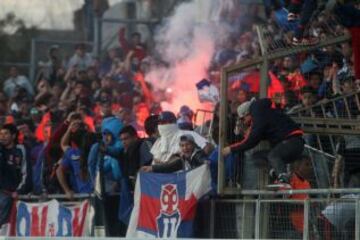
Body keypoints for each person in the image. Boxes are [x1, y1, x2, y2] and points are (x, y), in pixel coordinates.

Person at [222, 98, 304, 186]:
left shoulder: (258, 114)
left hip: (293, 141)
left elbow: (251, 141)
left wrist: (230, 149)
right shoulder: (261, 114)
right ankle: (278, 175)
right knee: (257, 157)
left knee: (273, 155)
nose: (244, 122)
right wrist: (246, 133)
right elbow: (255, 136)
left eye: (243, 119)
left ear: (247, 114)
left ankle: (284, 180)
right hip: (287, 143)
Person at [56, 120, 95, 199]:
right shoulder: (97, 149)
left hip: (85, 196)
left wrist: (67, 190)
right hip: (95, 195)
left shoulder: (72, 153)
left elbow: (63, 144)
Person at [141, 134, 208, 173]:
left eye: (188, 145)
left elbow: (202, 159)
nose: (185, 148)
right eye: (182, 146)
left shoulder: (198, 154)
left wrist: (205, 161)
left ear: (193, 145)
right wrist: (152, 168)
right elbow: (169, 167)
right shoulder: (184, 158)